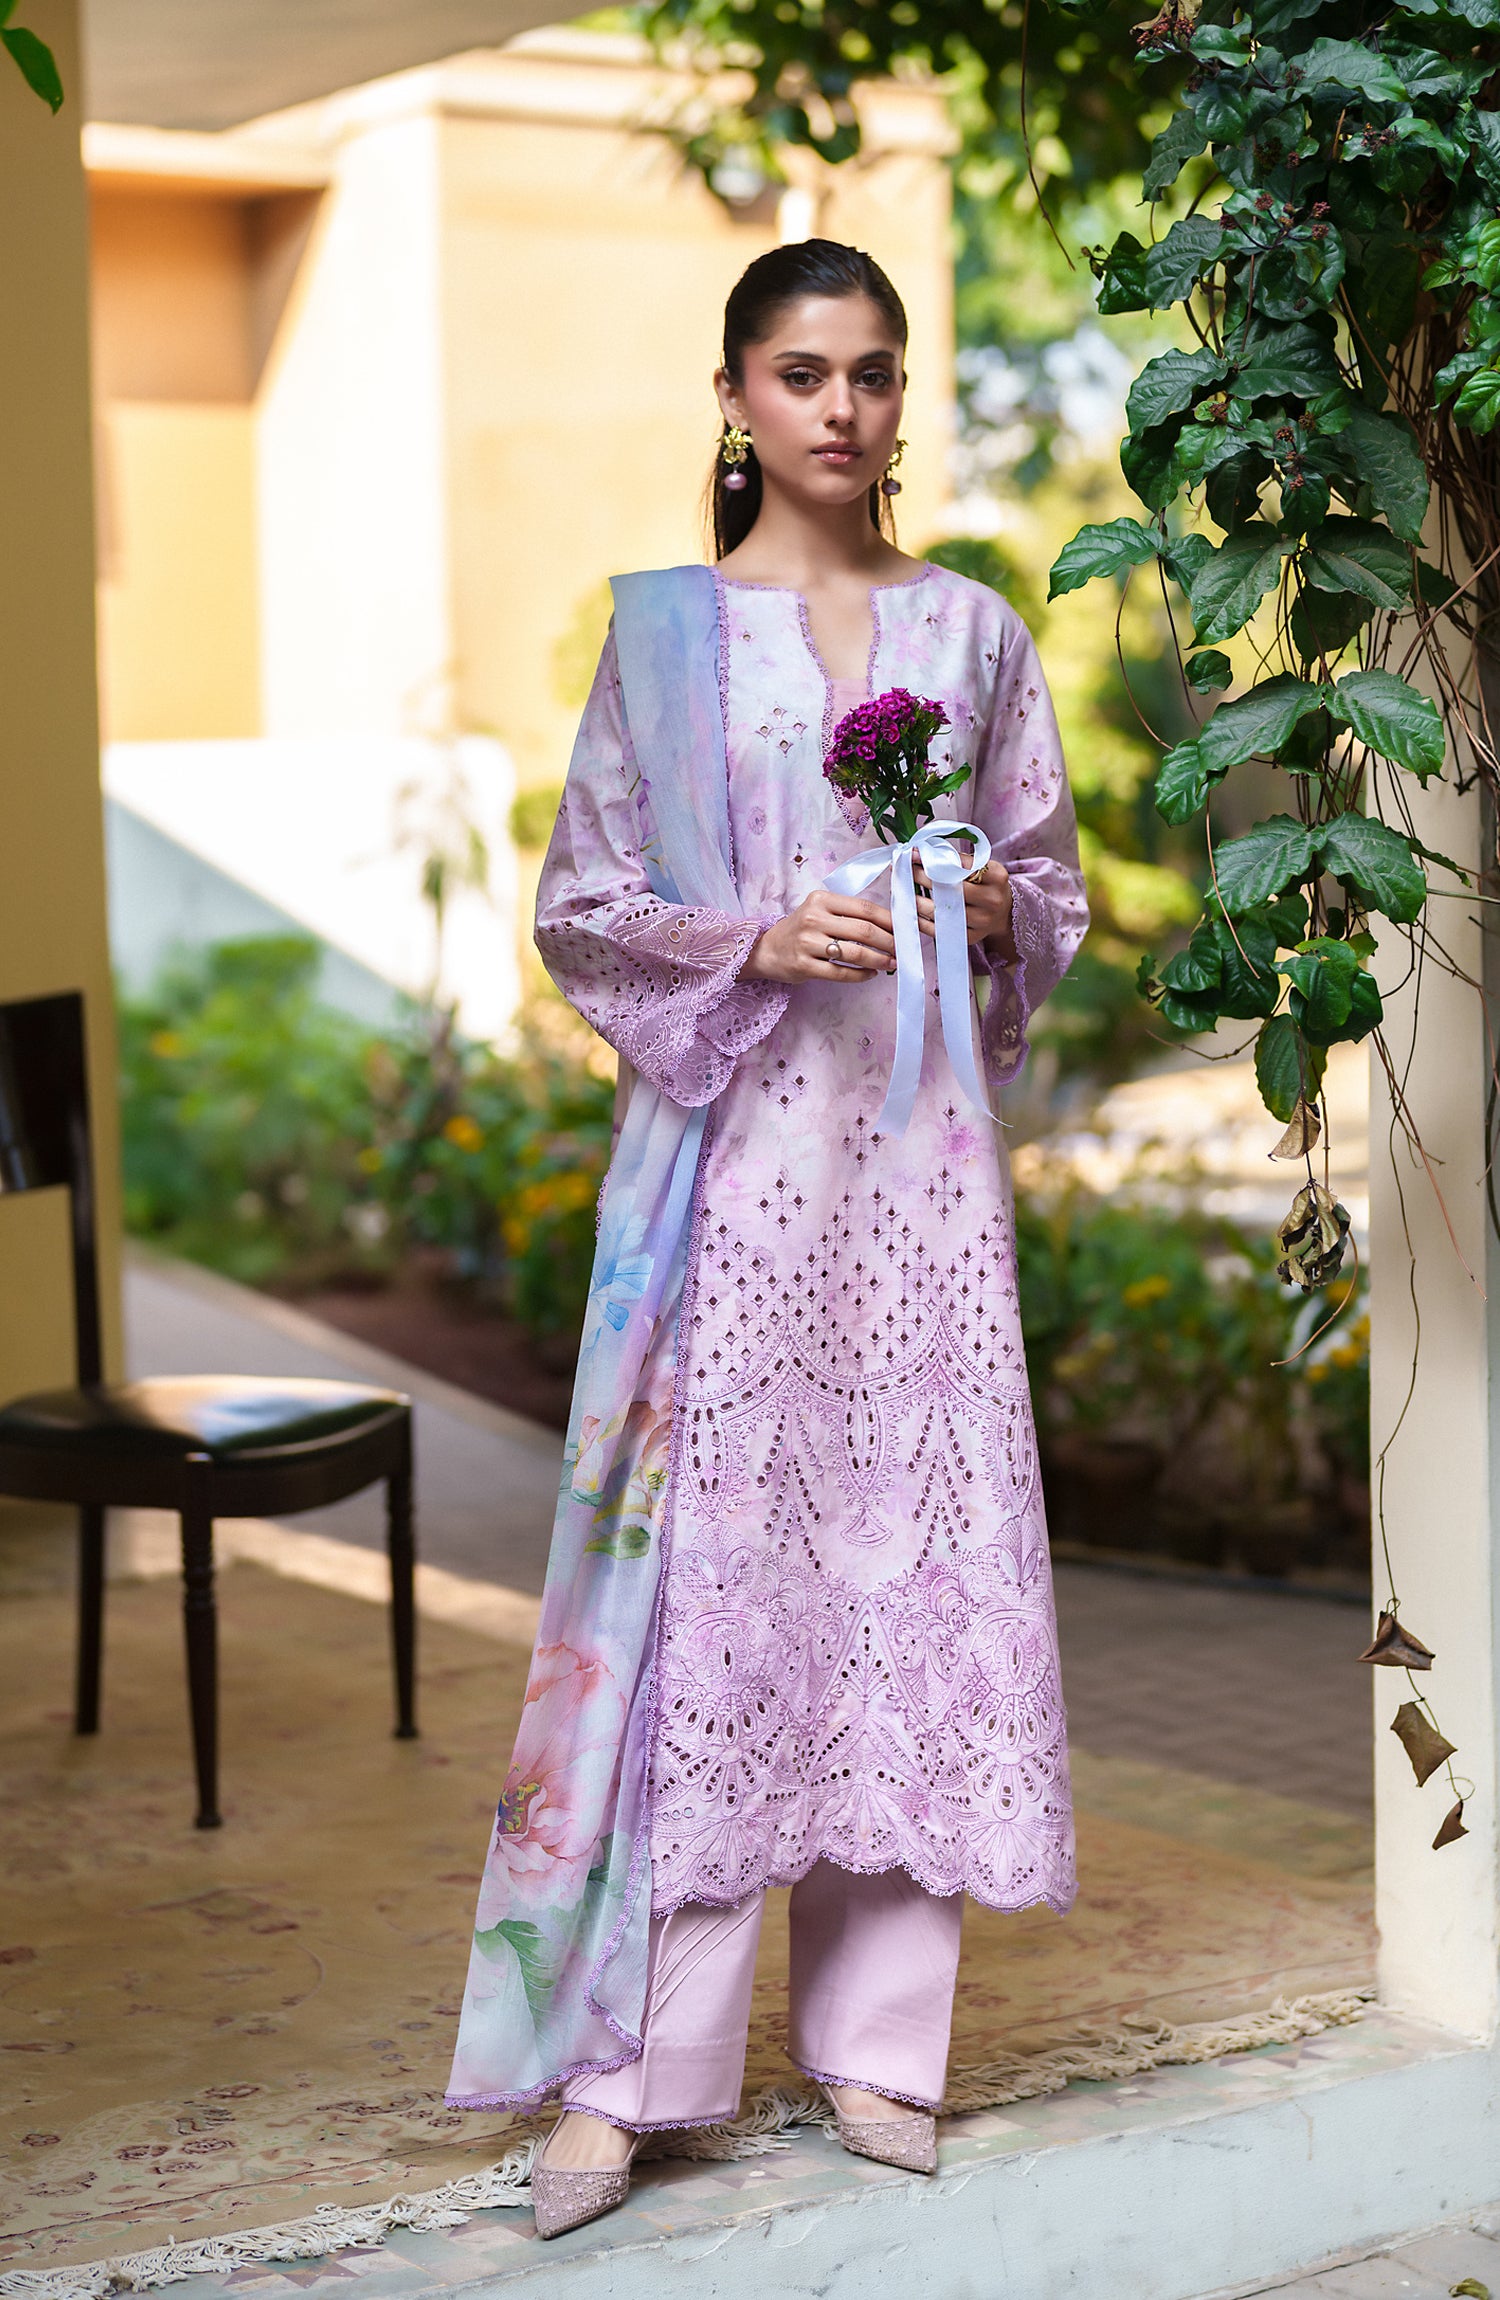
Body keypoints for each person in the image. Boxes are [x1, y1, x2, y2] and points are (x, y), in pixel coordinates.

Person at [445, 238, 1088, 2241]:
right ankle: (631, 2070)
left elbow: (1047, 883)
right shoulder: (662, 639)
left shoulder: (972, 631)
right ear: (732, 397)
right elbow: (585, 909)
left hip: (920, 1188)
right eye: (803, 372)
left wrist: (984, 904)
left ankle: (883, 2047)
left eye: (873, 372)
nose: (842, 406)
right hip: (730, 1188)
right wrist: (759, 934)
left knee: (899, 1580)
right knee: (711, 1603)